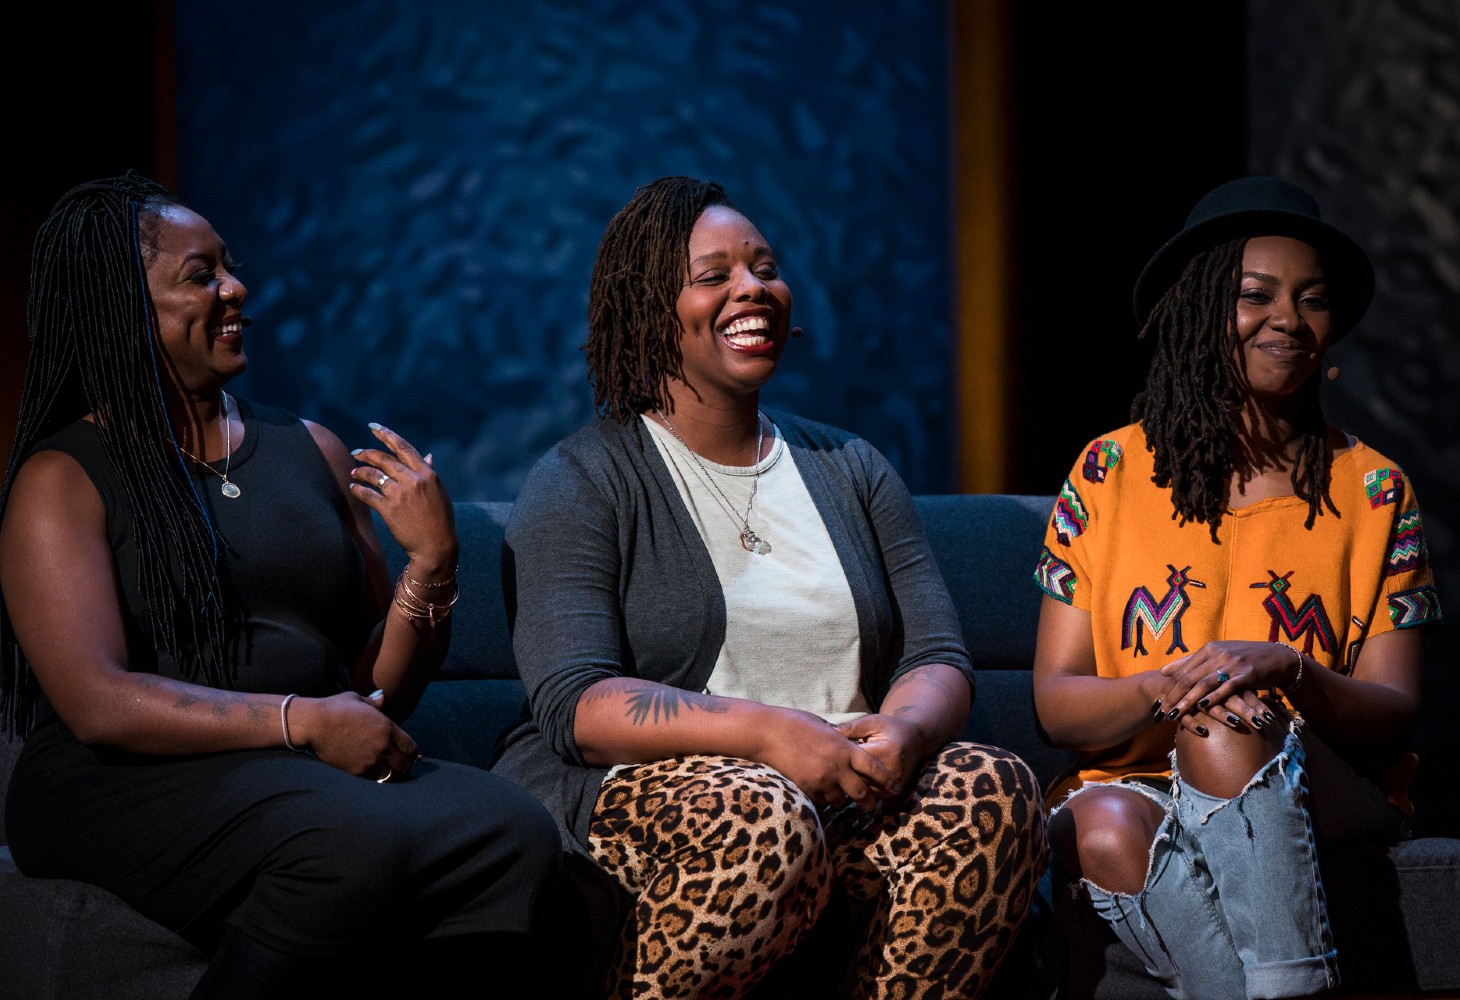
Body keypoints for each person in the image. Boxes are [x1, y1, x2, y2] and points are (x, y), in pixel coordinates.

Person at [0, 172, 571, 999]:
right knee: (344, 840)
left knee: (510, 831)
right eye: (201, 275)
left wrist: (432, 567)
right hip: (116, 780)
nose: (237, 288)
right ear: (126, 311)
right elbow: (98, 703)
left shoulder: (312, 450)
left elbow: (372, 695)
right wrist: (301, 723)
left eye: (228, 265)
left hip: (294, 767)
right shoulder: (66, 477)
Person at [495, 175, 1048, 999]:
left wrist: (901, 734)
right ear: (651, 309)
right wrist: (766, 737)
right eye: (714, 276)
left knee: (993, 793)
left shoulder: (850, 466)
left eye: (764, 268)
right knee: (764, 819)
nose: (753, 289)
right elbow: (576, 705)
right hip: (667, 796)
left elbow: (937, 654)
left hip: (847, 790)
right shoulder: (583, 479)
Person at [1032, 176, 1444, 1000]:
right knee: (1101, 824)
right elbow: (1057, 702)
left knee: (1223, 721)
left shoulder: (1374, 489)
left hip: (1321, 782)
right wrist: (1162, 686)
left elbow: (1394, 710)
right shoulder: (1108, 472)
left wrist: (1287, 668)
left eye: (1313, 300)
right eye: (1255, 296)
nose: (1288, 319)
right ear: (1199, 312)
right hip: (1141, 782)